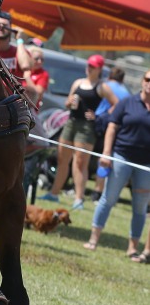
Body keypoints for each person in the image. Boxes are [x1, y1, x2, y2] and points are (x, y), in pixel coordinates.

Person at [83, 69, 150, 260]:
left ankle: (133, 248)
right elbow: (112, 126)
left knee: (140, 207)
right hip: (121, 157)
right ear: (142, 81)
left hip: (146, 164)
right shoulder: (127, 102)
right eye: (147, 79)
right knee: (108, 198)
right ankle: (93, 240)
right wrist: (106, 153)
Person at [39, 55, 121, 210]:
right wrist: (71, 102)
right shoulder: (78, 82)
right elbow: (67, 103)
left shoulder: (102, 86)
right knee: (62, 159)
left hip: (86, 128)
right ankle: (54, 193)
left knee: (80, 163)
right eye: (89, 64)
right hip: (70, 123)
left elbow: (116, 104)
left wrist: (99, 116)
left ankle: (78, 199)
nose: (89, 67)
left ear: (99, 69)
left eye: (93, 66)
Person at [91, 67, 131, 201]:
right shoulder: (127, 93)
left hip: (101, 127)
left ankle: (97, 192)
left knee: (101, 159)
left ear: (108, 76)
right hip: (119, 129)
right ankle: (109, 193)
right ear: (123, 80)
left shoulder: (104, 86)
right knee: (112, 160)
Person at [0, 11, 32, 78]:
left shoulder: (19, 51)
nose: (1, 27)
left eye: (5, 25)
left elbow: (25, 66)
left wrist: (19, 39)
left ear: (11, 29)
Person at [22, 45, 49, 109]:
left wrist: (28, 78)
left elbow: (38, 94)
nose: (39, 61)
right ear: (29, 57)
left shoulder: (43, 74)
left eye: (42, 59)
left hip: (30, 109)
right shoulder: (22, 68)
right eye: (36, 58)